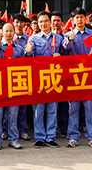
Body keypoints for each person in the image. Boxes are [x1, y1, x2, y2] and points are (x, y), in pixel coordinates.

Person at [61, 7, 92, 148]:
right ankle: (73, 136)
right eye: (77, 17)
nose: (79, 20)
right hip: (74, 77)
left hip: (89, 77)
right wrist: (69, 40)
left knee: (90, 108)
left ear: (86, 19)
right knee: (73, 108)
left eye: (81, 17)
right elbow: (64, 49)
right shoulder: (69, 35)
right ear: (73, 20)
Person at [24, 11, 63, 148]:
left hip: (54, 78)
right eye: (40, 22)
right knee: (38, 110)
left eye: (46, 21)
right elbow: (28, 55)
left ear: (50, 22)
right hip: (39, 79)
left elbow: (66, 56)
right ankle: (39, 137)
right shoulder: (33, 39)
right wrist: (29, 51)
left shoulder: (58, 38)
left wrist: (60, 57)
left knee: (52, 110)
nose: (43, 24)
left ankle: (50, 137)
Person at [0, 22, 24, 150]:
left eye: (11, 31)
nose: (9, 33)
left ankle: (13, 139)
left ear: (14, 32)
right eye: (6, 31)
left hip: (14, 84)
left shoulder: (19, 49)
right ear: (1, 32)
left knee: (13, 114)